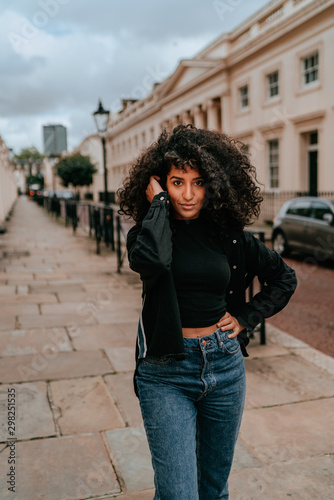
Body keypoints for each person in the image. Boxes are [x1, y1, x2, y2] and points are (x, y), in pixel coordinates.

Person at [117, 124, 297, 500]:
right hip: (165, 372)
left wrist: (247, 317)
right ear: (160, 184)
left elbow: (283, 278)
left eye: (198, 183)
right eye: (177, 182)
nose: (187, 194)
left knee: (214, 490)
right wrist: (159, 207)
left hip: (224, 365)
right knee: (178, 494)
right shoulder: (146, 233)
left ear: (212, 185)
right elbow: (151, 260)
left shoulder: (228, 235)